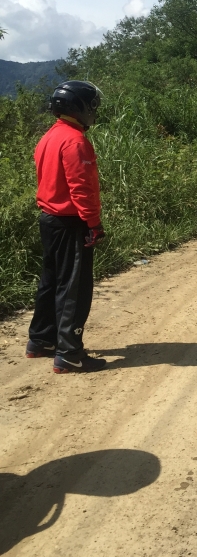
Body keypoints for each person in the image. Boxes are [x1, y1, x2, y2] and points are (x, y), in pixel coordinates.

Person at [26, 81, 107, 374]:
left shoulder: (49, 137)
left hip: (49, 220)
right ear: (81, 108)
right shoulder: (75, 141)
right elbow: (82, 188)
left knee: (50, 282)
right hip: (71, 222)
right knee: (74, 288)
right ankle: (70, 353)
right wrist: (94, 224)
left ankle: (41, 340)